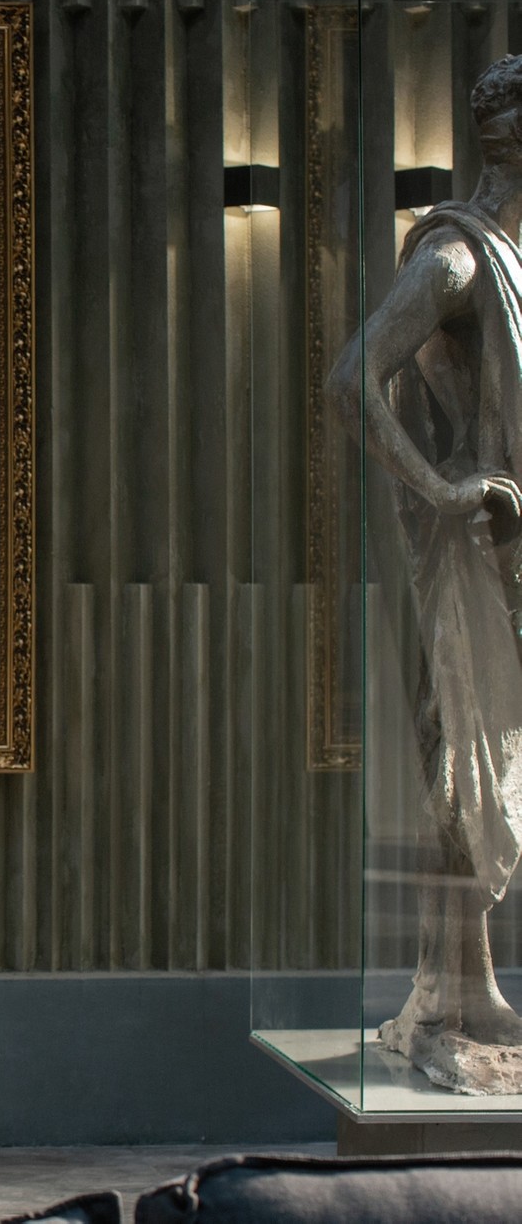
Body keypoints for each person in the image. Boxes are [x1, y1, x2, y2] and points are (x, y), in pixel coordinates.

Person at [327, 53, 522, 1087]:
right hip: (476, 552)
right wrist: (443, 489)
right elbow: (351, 378)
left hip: (514, 549)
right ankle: (453, 990)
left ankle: (460, 983)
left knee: (498, 756)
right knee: (467, 755)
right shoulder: (456, 259)